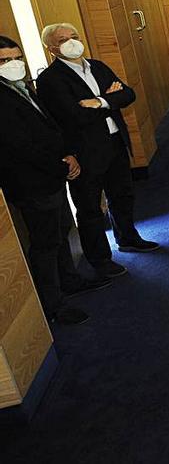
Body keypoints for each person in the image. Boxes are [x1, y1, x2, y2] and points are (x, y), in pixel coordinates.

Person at [38, 24, 159, 279]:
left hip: (115, 140)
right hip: (85, 151)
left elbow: (128, 94)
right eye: (63, 40)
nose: (71, 43)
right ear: (51, 48)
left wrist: (100, 101)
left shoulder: (97, 66)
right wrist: (109, 101)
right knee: (90, 207)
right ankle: (100, 259)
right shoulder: (50, 79)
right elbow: (73, 115)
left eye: (74, 37)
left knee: (122, 194)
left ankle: (127, 237)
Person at [0, 36, 97, 325]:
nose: (14, 64)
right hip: (32, 182)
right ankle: (54, 305)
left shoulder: (22, 87)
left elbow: (50, 126)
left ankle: (70, 279)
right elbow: (20, 145)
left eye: (16, 57)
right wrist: (60, 166)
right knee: (44, 243)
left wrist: (68, 155)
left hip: (53, 175)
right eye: (4, 61)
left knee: (61, 230)